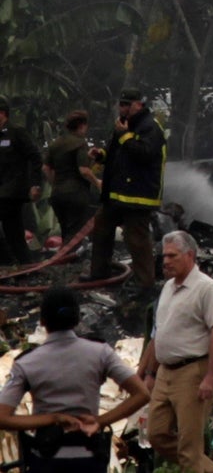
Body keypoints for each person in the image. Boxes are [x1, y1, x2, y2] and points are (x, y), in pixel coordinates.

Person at [0, 286, 150, 473]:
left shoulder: (27, 362)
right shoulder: (100, 353)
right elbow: (142, 394)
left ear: (42, 321)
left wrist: (51, 419)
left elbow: (3, 417)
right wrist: (101, 420)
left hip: (46, 459)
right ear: (77, 318)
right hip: (90, 458)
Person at [137, 231, 213, 472]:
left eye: (172, 256)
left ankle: (196, 463)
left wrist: (209, 377)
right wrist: (149, 373)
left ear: (189, 255)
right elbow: (160, 333)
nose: (165, 261)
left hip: (192, 372)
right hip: (165, 373)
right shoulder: (167, 287)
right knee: (156, 435)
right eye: (163, 256)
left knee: (189, 449)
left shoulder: (206, 288)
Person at [87, 88, 166, 288]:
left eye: (126, 105)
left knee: (137, 241)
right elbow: (115, 151)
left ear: (139, 104)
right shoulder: (123, 126)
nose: (122, 108)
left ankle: (145, 284)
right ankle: (98, 273)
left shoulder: (151, 127)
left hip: (138, 197)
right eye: (120, 104)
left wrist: (125, 137)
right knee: (101, 228)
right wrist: (101, 155)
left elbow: (145, 154)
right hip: (116, 195)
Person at [43, 110, 101, 242]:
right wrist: (98, 184)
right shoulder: (80, 143)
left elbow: (46, 168)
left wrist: (55, 183)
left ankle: (63, 260)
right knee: (75, 234)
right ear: (82, 125)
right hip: (76, 195)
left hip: (57, 195)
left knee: (66, 232)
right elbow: (84, 171)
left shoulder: (55, 144)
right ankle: (71, 260)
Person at [0, 97, 42, 266]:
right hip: (2, 190)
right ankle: (24, 265)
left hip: (13, 191)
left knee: (13, 231)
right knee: (14, 233)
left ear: (3, 114)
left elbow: (35, 157)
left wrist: (35, 184)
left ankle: (13, 263)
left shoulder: (17, 132)